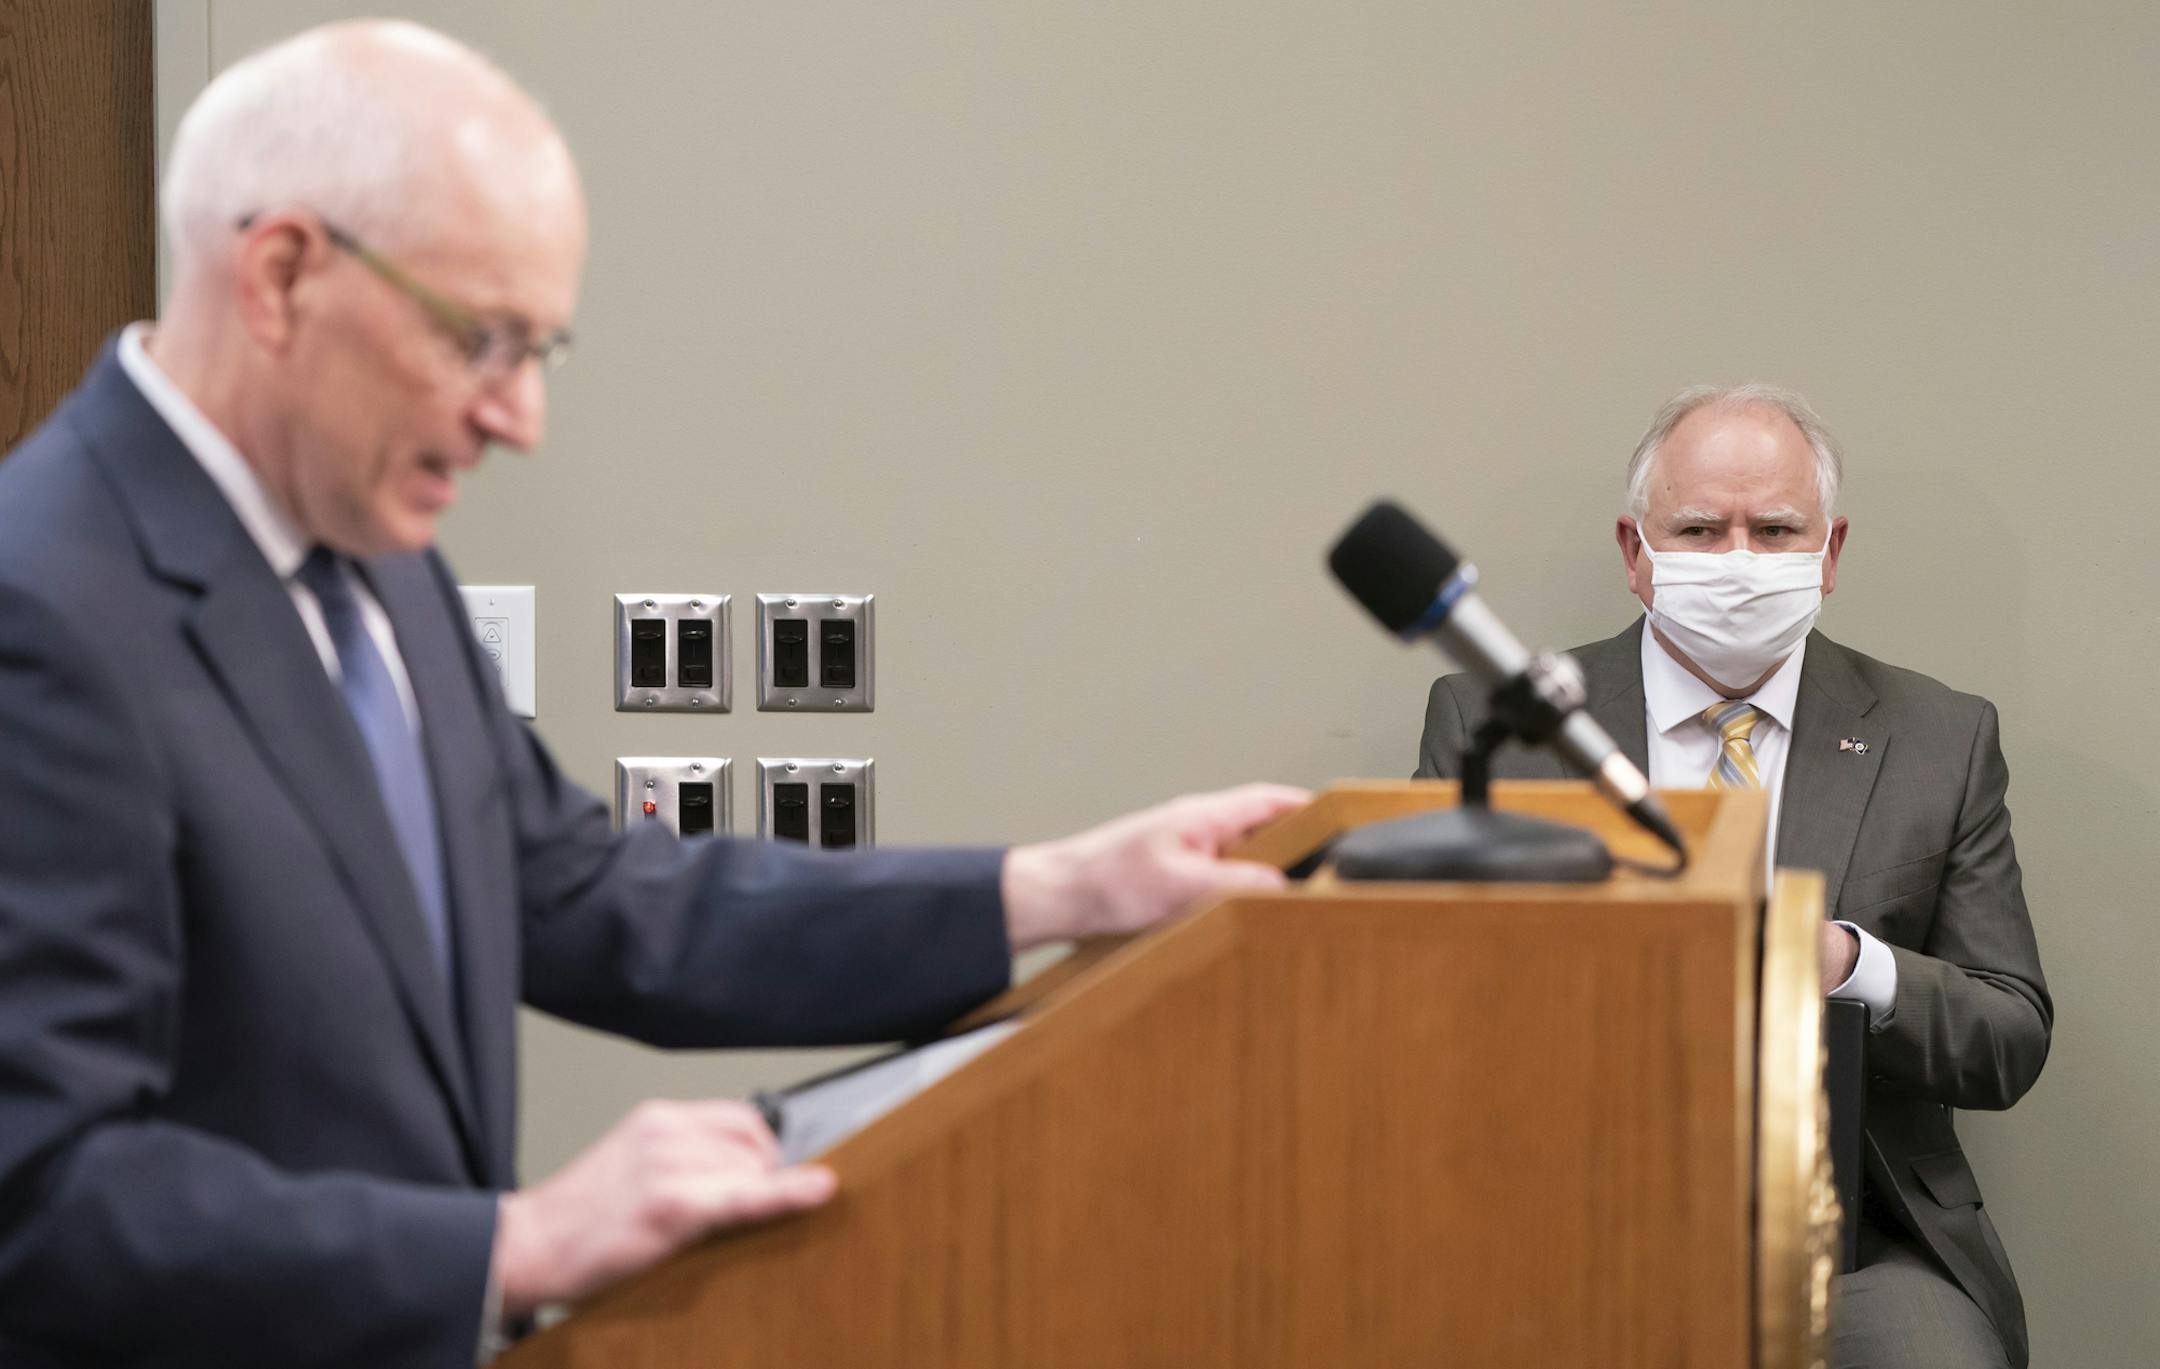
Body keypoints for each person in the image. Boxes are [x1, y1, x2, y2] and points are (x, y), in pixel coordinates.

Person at [0, 21, 1303, 1366]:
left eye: (539, 352)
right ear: (279, 274)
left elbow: (579, 892)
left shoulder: (374, 561)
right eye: (480, 340)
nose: (519, 418)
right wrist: (515, 1244)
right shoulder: (42, 612)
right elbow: (33, 1195)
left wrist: (1058, 889)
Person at [1415, 384, 2049, 1368]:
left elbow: (2010, 1035)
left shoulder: (1939, 738)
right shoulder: (1499, 725)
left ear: (1829, 553)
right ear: (1637, 552)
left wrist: (1846, 961)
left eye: (1777, 529)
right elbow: (1416, 1004)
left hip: (1854, 1241)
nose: (1740, 562)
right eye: (1702, 529)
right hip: (1558, 1216)